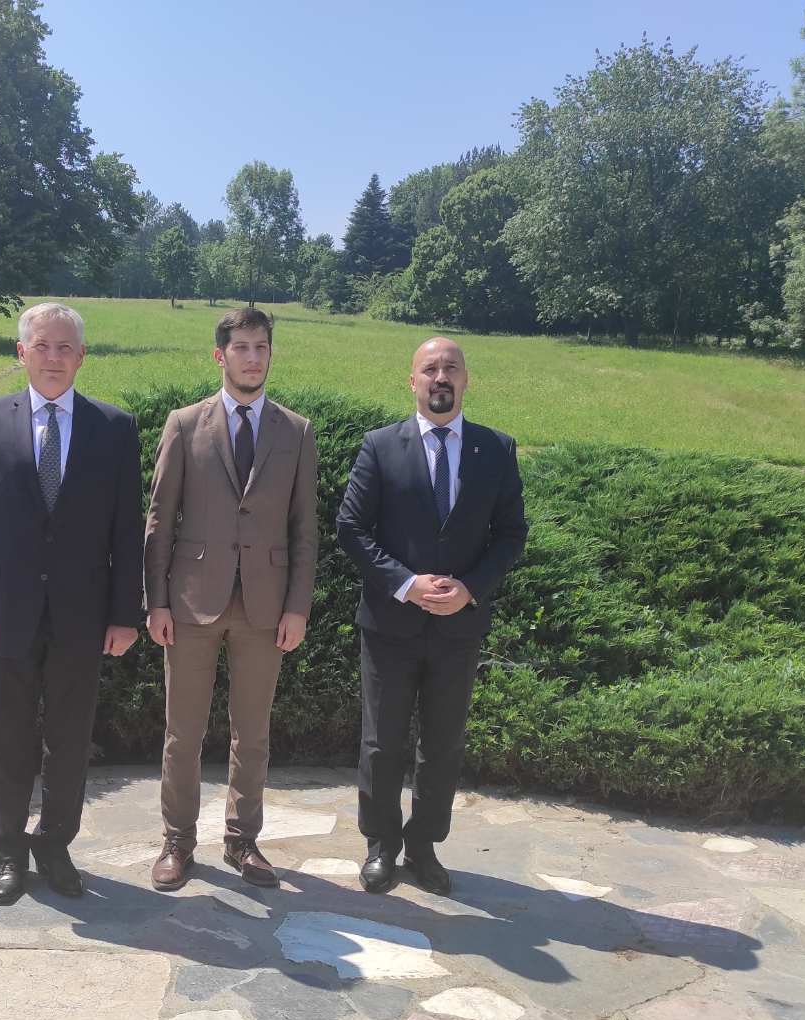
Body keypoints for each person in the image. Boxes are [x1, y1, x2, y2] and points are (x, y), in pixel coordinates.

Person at [0, 302, 143, 906]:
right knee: (7, 735)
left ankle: (55, 845)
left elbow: (126, 530)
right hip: (4, 613)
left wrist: (125, 614)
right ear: (21, 353)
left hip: (83, 616)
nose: (53, 358)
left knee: (70, 738)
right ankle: (7, 850)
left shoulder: (115, 428)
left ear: (81, 356)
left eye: (65, 348)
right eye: (42, 346)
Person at [336, 336, 528, 895]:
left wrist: (471, 588)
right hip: (390, 625)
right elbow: (351, 528)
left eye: (451, 368)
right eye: (429, 368)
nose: (440, 377)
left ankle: (423, 847)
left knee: (443, 744)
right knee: (382, 742)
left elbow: (511, 534)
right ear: (412, 381)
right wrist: (406, 584)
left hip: (458, 628)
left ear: (466, 379)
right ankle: (381, 846)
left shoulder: (496, 449)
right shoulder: (380, 446)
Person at [144, 308, 318, 891]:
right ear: (220, 356)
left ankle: (243, 840)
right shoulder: (184, 424)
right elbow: (159, 521)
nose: (253, 357)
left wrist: (298, 606)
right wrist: (156, 601)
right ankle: (177, 841)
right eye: (241, 347)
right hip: (191, 602)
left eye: (261, 347)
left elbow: (304, 528)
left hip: (266, 606)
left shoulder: (296, 432)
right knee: (182, 732)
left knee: (253, 733)